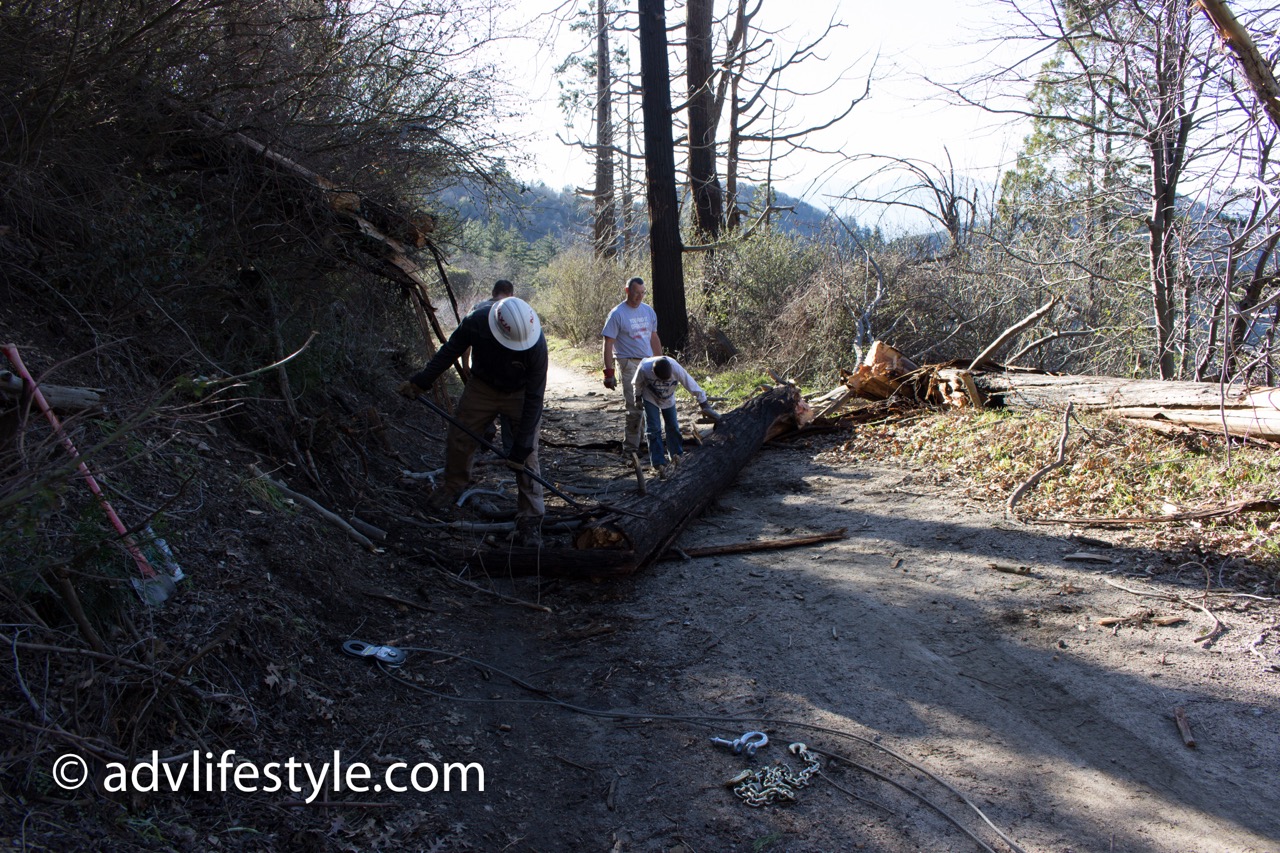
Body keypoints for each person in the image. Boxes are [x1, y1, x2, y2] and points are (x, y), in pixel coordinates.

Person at [399, 296, 547, 546]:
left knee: (527, 457)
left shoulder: (536, 344)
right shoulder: (476, 322)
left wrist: (521, 446)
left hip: (520, 394)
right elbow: (449, 352)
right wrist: (422, 381)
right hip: (482, 387)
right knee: (460, 436)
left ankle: (531, 518)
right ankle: (453, 484)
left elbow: (535, 396)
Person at [631, 356, 720, 476]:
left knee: (673, 427)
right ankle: (658, 463)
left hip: (668, 399)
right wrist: (637, 398)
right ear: (653, 372)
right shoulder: (644, 368)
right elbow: (636, 383)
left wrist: (704, 405)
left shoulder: (676, 368)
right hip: (650, 398)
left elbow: (691, 384)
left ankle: (676, 456)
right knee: (653, 429)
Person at [601, 277, 661, 451]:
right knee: (634, 407)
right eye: (636, 293)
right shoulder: (617, 314)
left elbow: (654, 337)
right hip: (628, 363)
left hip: (648, 363)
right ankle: (631, 448)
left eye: (642, 293)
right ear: (627, 291)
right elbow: (608, 343)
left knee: (651, 404)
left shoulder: (648, 311)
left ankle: (645, 443)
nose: (639, 297)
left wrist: (661, 361)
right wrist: (609, 373)